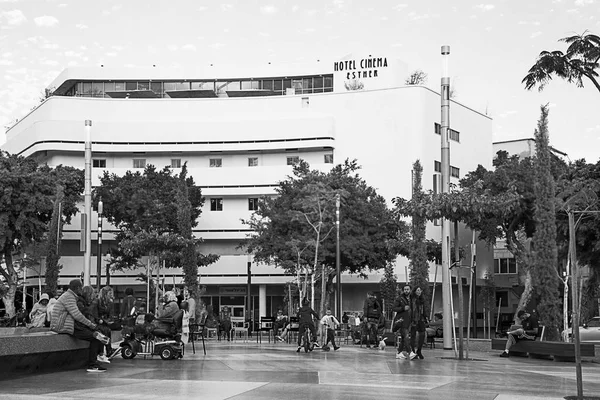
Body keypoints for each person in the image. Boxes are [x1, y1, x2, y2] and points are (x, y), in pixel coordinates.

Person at [50, 279, 109, 373]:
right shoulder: (69, 297)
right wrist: (91, 325)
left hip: (67, 324)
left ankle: (96, 360)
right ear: (77, 288)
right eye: (80, 287)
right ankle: (93, 365)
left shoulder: (69, 296)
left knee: (95, 334)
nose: (81, 290)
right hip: (63, 325)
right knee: (95, 337)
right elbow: (77, 315)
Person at [392, 284, 412, 359]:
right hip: (402, 320)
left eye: (408, 289)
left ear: (410, 290)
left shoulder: (412, 298)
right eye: (405, 289)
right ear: (403, 290)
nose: (406, 291)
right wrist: (403, 308)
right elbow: (394, 308)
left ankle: (399, 352)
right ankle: (410, 352)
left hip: (410, 320)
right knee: (406, 335)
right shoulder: (400, 298)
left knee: (404, 337)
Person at [410, 286, 428, 360]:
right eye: (417, 290)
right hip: (413, 319)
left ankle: (419, 350)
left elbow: (424, 309)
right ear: (414, 291)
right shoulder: (412, 299)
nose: (419, 291)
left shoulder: (422, 300)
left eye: (420, 290)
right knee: (413, 336)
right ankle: (413, 351)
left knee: (422, 334)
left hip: (421, 319)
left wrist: (426, 316)